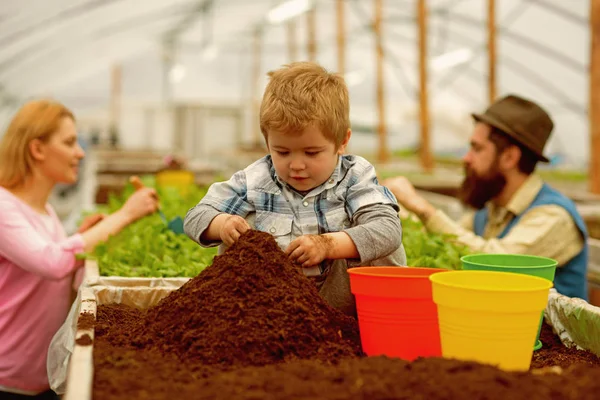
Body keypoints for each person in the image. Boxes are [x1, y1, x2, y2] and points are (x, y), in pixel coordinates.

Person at [184, 61, 407, 315]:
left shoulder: (354, 176)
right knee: (237, 222)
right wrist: (222, 224)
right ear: (268, 142)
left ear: (342, 142)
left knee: (381, 240)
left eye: (312, 153)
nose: (297, 165)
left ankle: (384, 315)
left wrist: (327, 245)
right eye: (282, 152)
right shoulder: (255, 179)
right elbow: (194, 217)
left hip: (343, 303)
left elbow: (388, 230)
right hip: (272, 304)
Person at [0, 100, 159, 399]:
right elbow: (52, 262)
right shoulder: (3, 206)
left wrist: (83, 236)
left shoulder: (43, 209)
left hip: (41, 378)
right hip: (8, 382)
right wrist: (123, 215)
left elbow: (54, 260)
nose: (80, 152)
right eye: (70, 142)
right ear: (37, 149)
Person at [383, 94, 589, 300]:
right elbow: (442, 243)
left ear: (509, 157)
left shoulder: (553, 216)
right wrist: (390, 209)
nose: (466, 158)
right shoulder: (491, 209)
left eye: (477, 148)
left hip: (544, 331)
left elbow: (497, 265)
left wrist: (421, 207)